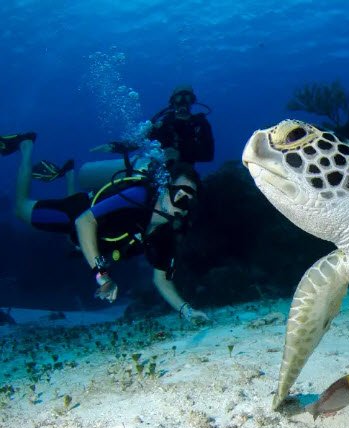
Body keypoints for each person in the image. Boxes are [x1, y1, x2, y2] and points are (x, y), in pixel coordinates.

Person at [3, 132, 209, 323]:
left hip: (97, 239)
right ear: (164, 188)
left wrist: (188, 311)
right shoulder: (137, 195)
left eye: (189, 203)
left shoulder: (166, 235)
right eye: (179, 196)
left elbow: (162, 280)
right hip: (77, 212)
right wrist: (103, 276)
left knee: (74, 242)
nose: (182, 208)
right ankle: (26, 145)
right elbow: (84, 221)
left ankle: (69, 174)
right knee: (20, 209)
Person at [148, 85, 214, 166]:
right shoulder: (164, 123)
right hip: (159, 169)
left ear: (192, 101)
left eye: (187, 96)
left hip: (184, 171)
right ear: (173, 101)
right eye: (179, 97)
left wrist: (180, 153)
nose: (183, 100)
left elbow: (208, 155)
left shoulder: (200, 124)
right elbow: (146, 143)